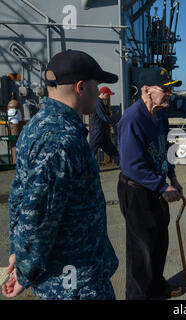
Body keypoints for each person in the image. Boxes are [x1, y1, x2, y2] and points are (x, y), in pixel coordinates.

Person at [3, 49, 119, 299]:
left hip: (69, 276)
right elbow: (39, 215)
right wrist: (24, 271)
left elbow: (18, 195)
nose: (100, 93)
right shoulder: (61, 140)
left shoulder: (37, 124)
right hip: (76, 281)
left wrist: (17, 251)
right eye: (96, 85)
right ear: (81, 87)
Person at [117, 66, 184, 300]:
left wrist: (172, 176)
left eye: (171, 89)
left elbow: (164, 150)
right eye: (165, 89)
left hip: (156, 186)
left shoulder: (161, 116)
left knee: (159, 243)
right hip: (137, 191)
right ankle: (138, 296)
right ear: (146, 90)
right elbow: (131, 165)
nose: (170, 93)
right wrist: (163, 187)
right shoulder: (132, 118)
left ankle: (156, 286)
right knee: (141, 250)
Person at [89, 86, 119, 165]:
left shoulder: (100, 102)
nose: (108, 96)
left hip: (101, 130)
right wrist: (113, 123)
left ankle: (122, 163)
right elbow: (103, 116)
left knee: (111, 149)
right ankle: (84, 168)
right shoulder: (98, 103)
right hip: (98, 130)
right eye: (107, 95)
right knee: (91, 150)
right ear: (102, 93)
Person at [6, 94, 23, 164]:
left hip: (13, 122)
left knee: (14, 143)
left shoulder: (11, 105)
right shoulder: (16, 105)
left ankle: (15, 161)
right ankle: (15, 161)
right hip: (15, 122)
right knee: (15, 142)